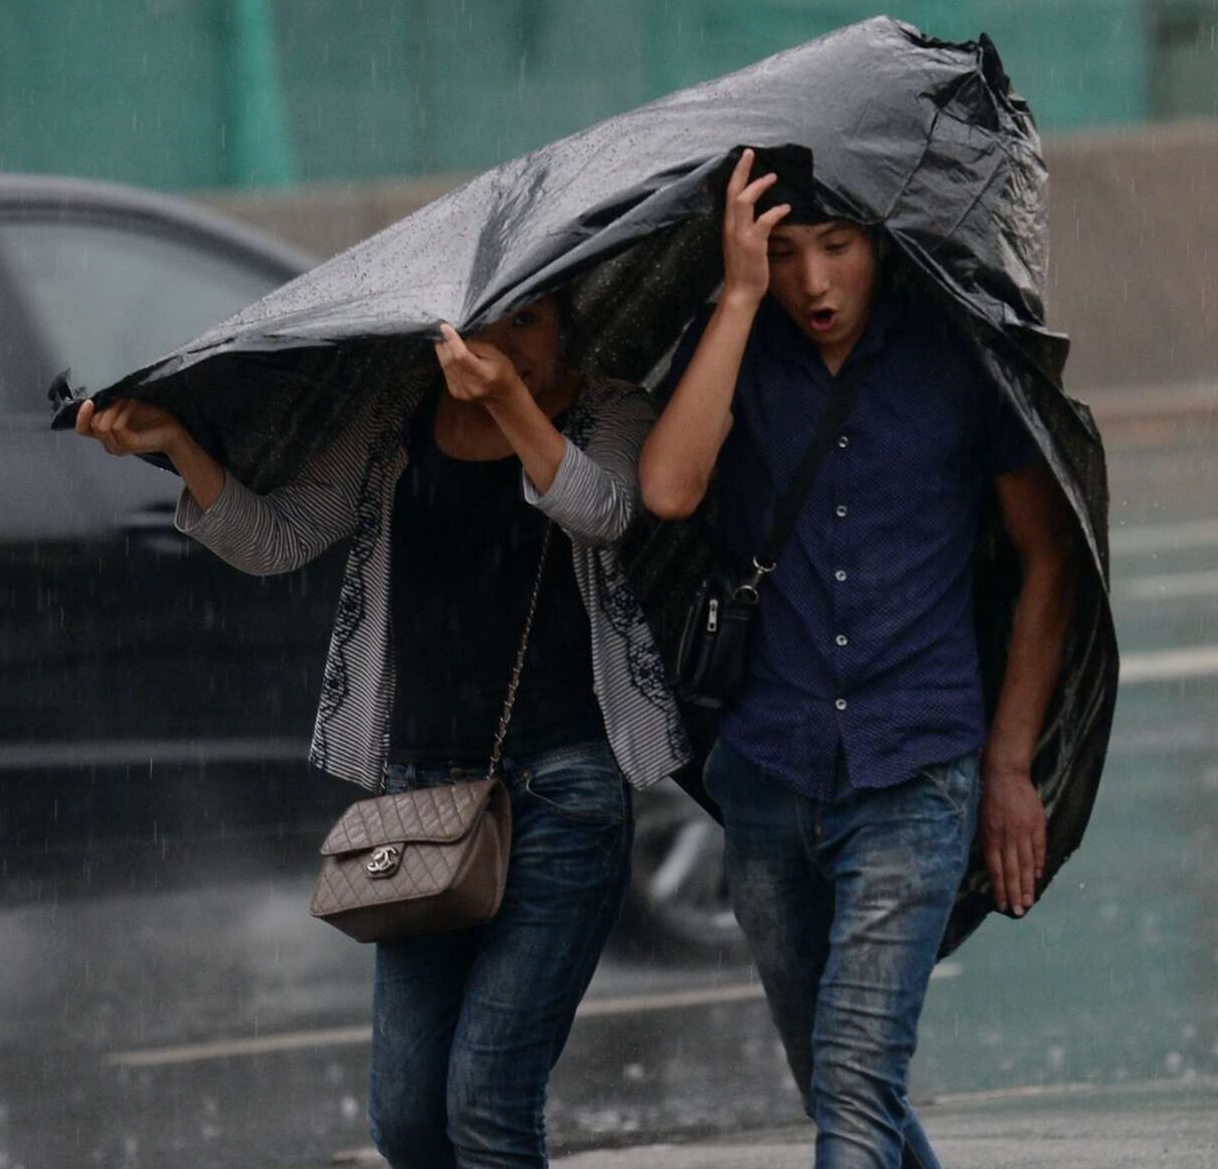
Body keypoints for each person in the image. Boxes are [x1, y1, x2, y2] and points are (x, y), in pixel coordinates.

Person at [75, 294, 690, 1168]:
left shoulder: (610, 409)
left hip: (566, 790)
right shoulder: (397, 416)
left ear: (568, 324)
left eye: (532, 320)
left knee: (487, 1102)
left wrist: (510, 400)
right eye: (490, 320)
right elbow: (279, 538)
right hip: (421, 799)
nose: (509, 342)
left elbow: (603, 509)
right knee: (406, 1119)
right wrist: (177, 447)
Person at [637, 149, 1076, 1169]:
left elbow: (1045, 552)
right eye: (783, 253)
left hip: (913, 766)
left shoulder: (956, 349)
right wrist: (738, 299)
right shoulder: (734, 339)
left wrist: (1007, 768)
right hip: (765, 772)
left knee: (852, 1087)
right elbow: (665, 489)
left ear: (879, 238)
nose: (813, 282)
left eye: (835, 248)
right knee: (841, 1089)